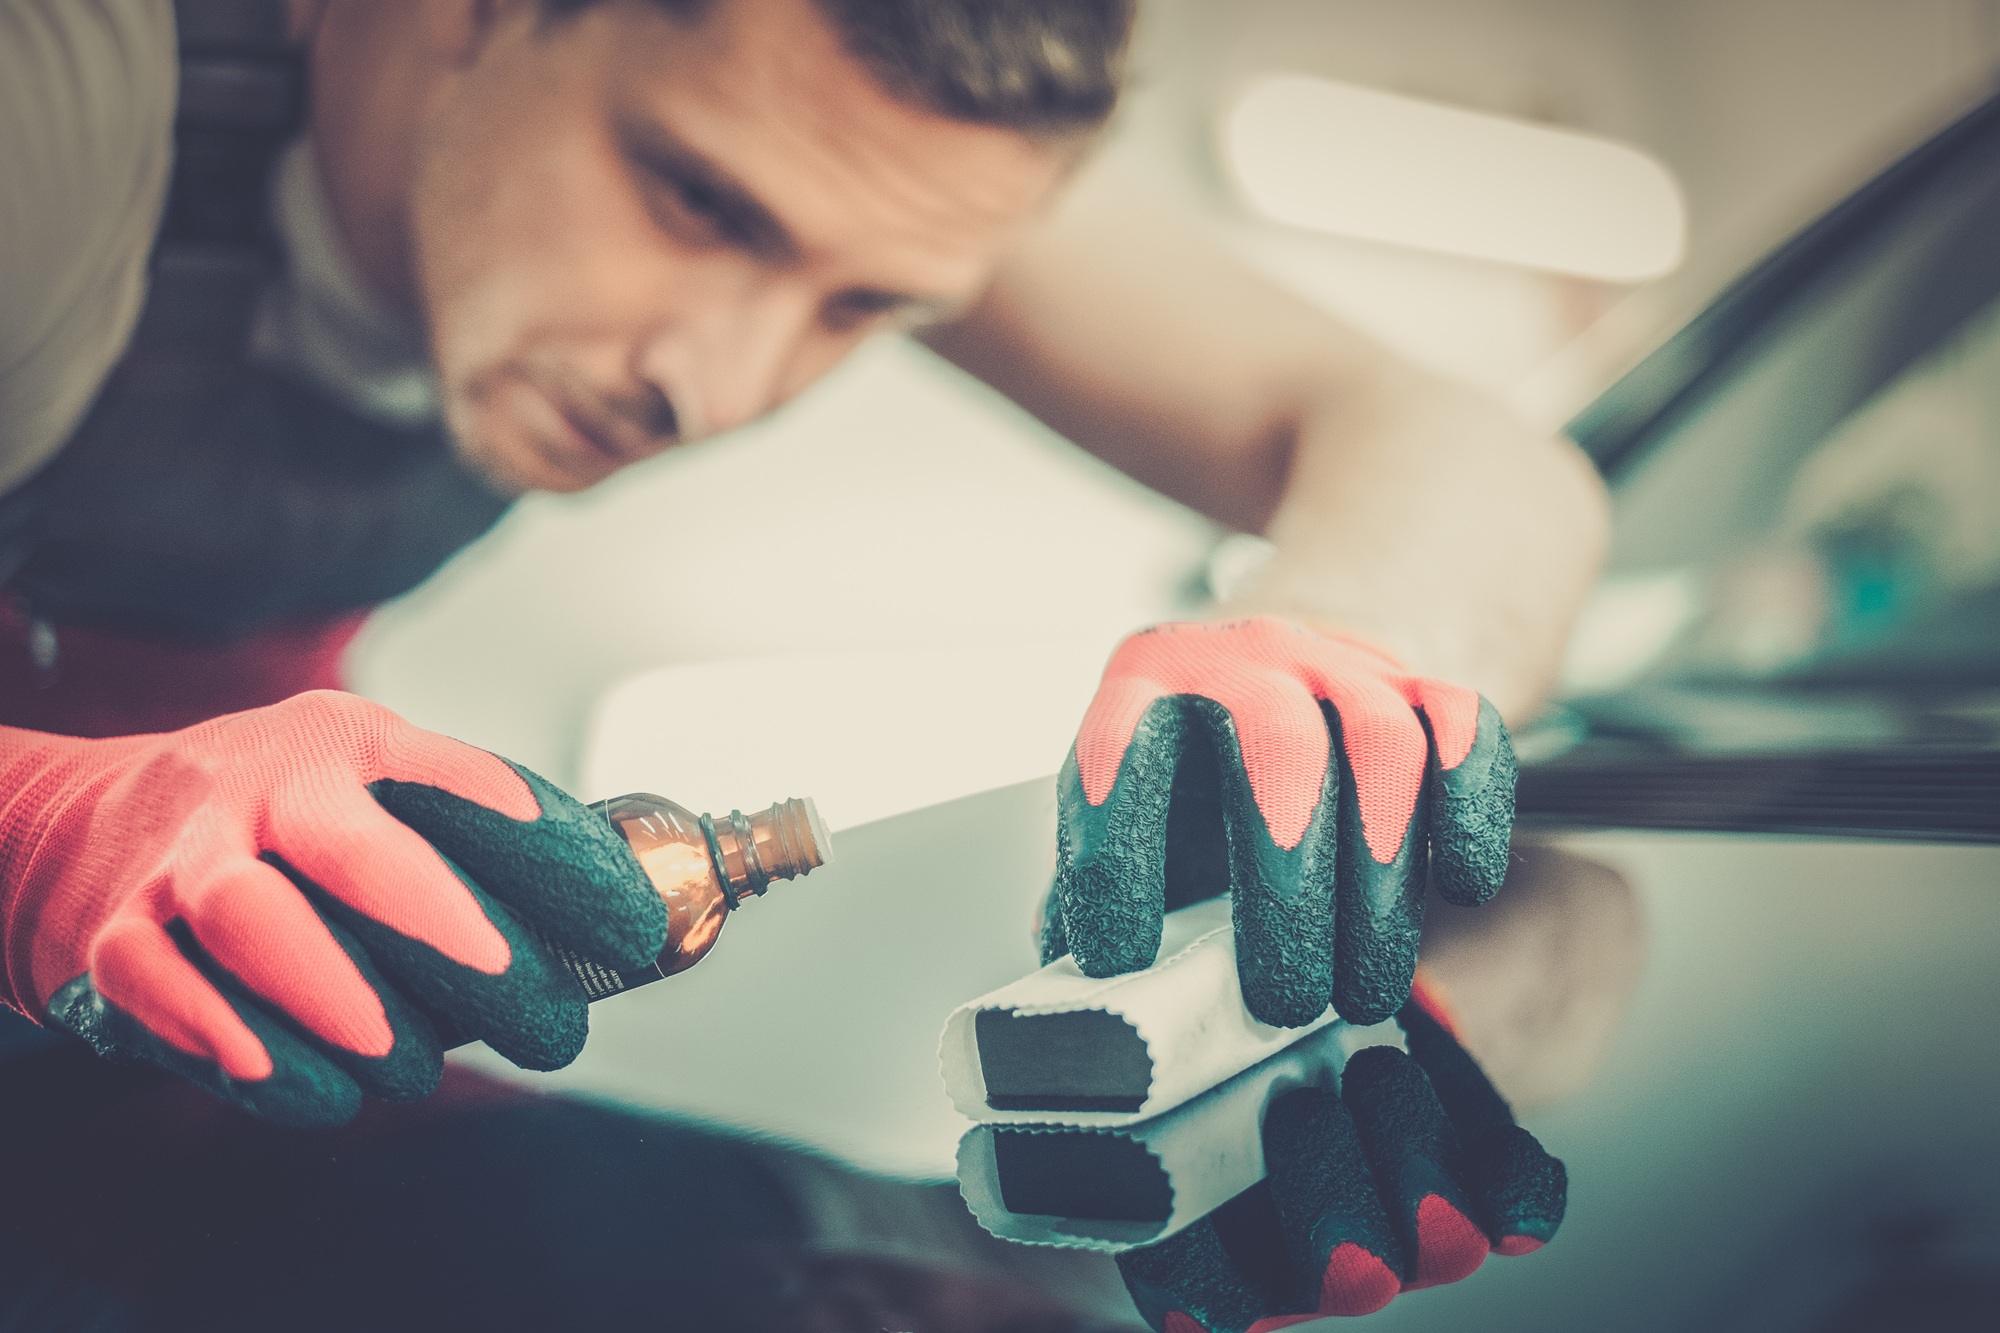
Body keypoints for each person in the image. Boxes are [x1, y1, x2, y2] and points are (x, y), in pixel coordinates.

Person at [0, 1, 1622, 1328]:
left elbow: (1479, 465)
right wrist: (36, 816)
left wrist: (1331, 687)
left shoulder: (855, 133)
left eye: (863, 306)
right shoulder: (53, 105)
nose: (714, 387)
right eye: (698, 202)